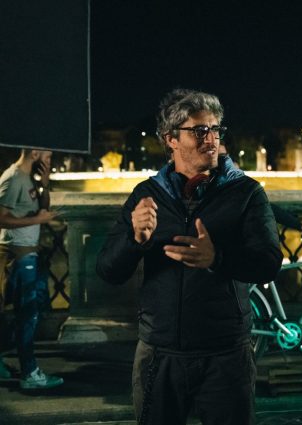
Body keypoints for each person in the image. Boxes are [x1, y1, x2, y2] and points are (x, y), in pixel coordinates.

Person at [96, 88, 283, 425]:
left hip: (226, 355)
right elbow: (108, 270)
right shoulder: (146, 194)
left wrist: (217, 258)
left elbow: (268, 263)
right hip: (159, 353)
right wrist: (135, 240)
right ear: (170, 139)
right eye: (199, 130)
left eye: (215, 129)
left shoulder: (246, 193)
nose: (211, 138)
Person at [0, 149, 62, 389]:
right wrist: (37, 221)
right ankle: (29, 373)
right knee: (27, 314)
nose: (50, 162)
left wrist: (44, 186)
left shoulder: (28, 179)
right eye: (47, 157)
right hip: (19, 255)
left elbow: (42, 210)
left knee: (26, 313)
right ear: (34, 153)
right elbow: (1, 218)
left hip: (28, 253)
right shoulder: (14, 178)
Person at [217, 141, 302, 239]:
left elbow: (266, 207)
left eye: (225, 157)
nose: (225, 162)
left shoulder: (239, 191)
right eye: (219, 158)